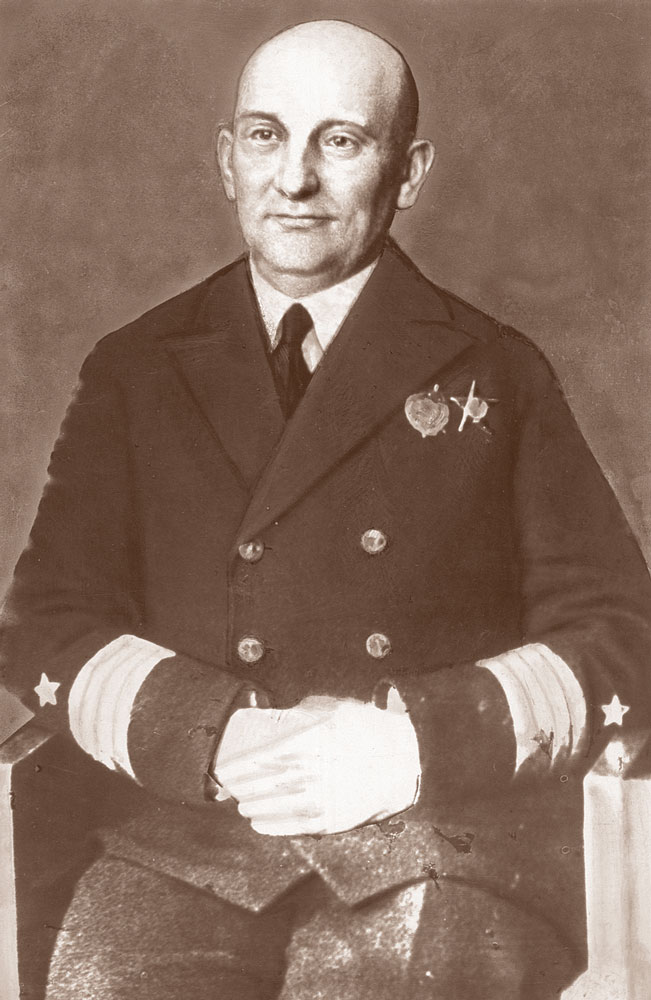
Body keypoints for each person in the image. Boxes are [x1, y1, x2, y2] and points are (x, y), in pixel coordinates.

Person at [2, 18, 650, 1000]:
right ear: (226, 159)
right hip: (192, 836)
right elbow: (48, 618)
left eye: (339, 141)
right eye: (266, 136)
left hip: (437, 837)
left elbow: (620, 631)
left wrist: (414, 743)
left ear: (408, 173)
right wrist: (211, 734)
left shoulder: (497, 370)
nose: (294, 179)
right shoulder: (136, 368)